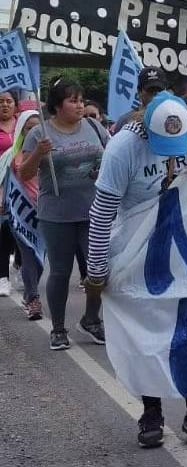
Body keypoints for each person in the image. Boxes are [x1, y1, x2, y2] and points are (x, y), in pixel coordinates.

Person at [85, 92, 187, 448]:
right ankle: (151, 412)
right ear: (147, 129)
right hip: (140, 254)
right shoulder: (123, 147)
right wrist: (96, 269)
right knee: (149, 332)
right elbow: (102, 212)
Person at [20, 77, 109, 351]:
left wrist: (101, 171)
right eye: (73, 100)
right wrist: (38, 153)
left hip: (93, 211)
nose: (80, 105)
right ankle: (58, 328)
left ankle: (92, 318)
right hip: (56, 214)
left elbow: (111, 158)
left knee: (99, 270)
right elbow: (24, 173)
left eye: (81, 100)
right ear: (57, 106)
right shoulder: (40, 133)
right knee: (60, 272)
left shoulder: (95, 127)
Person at [1, 111, 43, 318]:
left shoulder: (51, 153)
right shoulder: (11, 156)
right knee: (28, 255)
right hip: (21, 214)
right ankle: (34, 299)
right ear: (21, 131)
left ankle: (29, 292)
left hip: (46, 214)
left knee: (40, 259)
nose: (34, 131)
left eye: (38, 127)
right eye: (29, 128)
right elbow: (4, 182)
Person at [0, 90, 19, 297]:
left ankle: (21, 266)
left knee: (22, 231)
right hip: (1, 187)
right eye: (1, 102)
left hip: (25, 186)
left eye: (8, 101)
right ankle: (2, 277)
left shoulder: (24, 126)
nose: (4, 105)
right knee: (3, 233)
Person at [111, 66, 168, 133]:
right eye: (151, 91)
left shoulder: (174, 118)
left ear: (165, 91)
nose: (155, 96)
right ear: (139, 91)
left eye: (159, 90)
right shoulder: (125, 121)